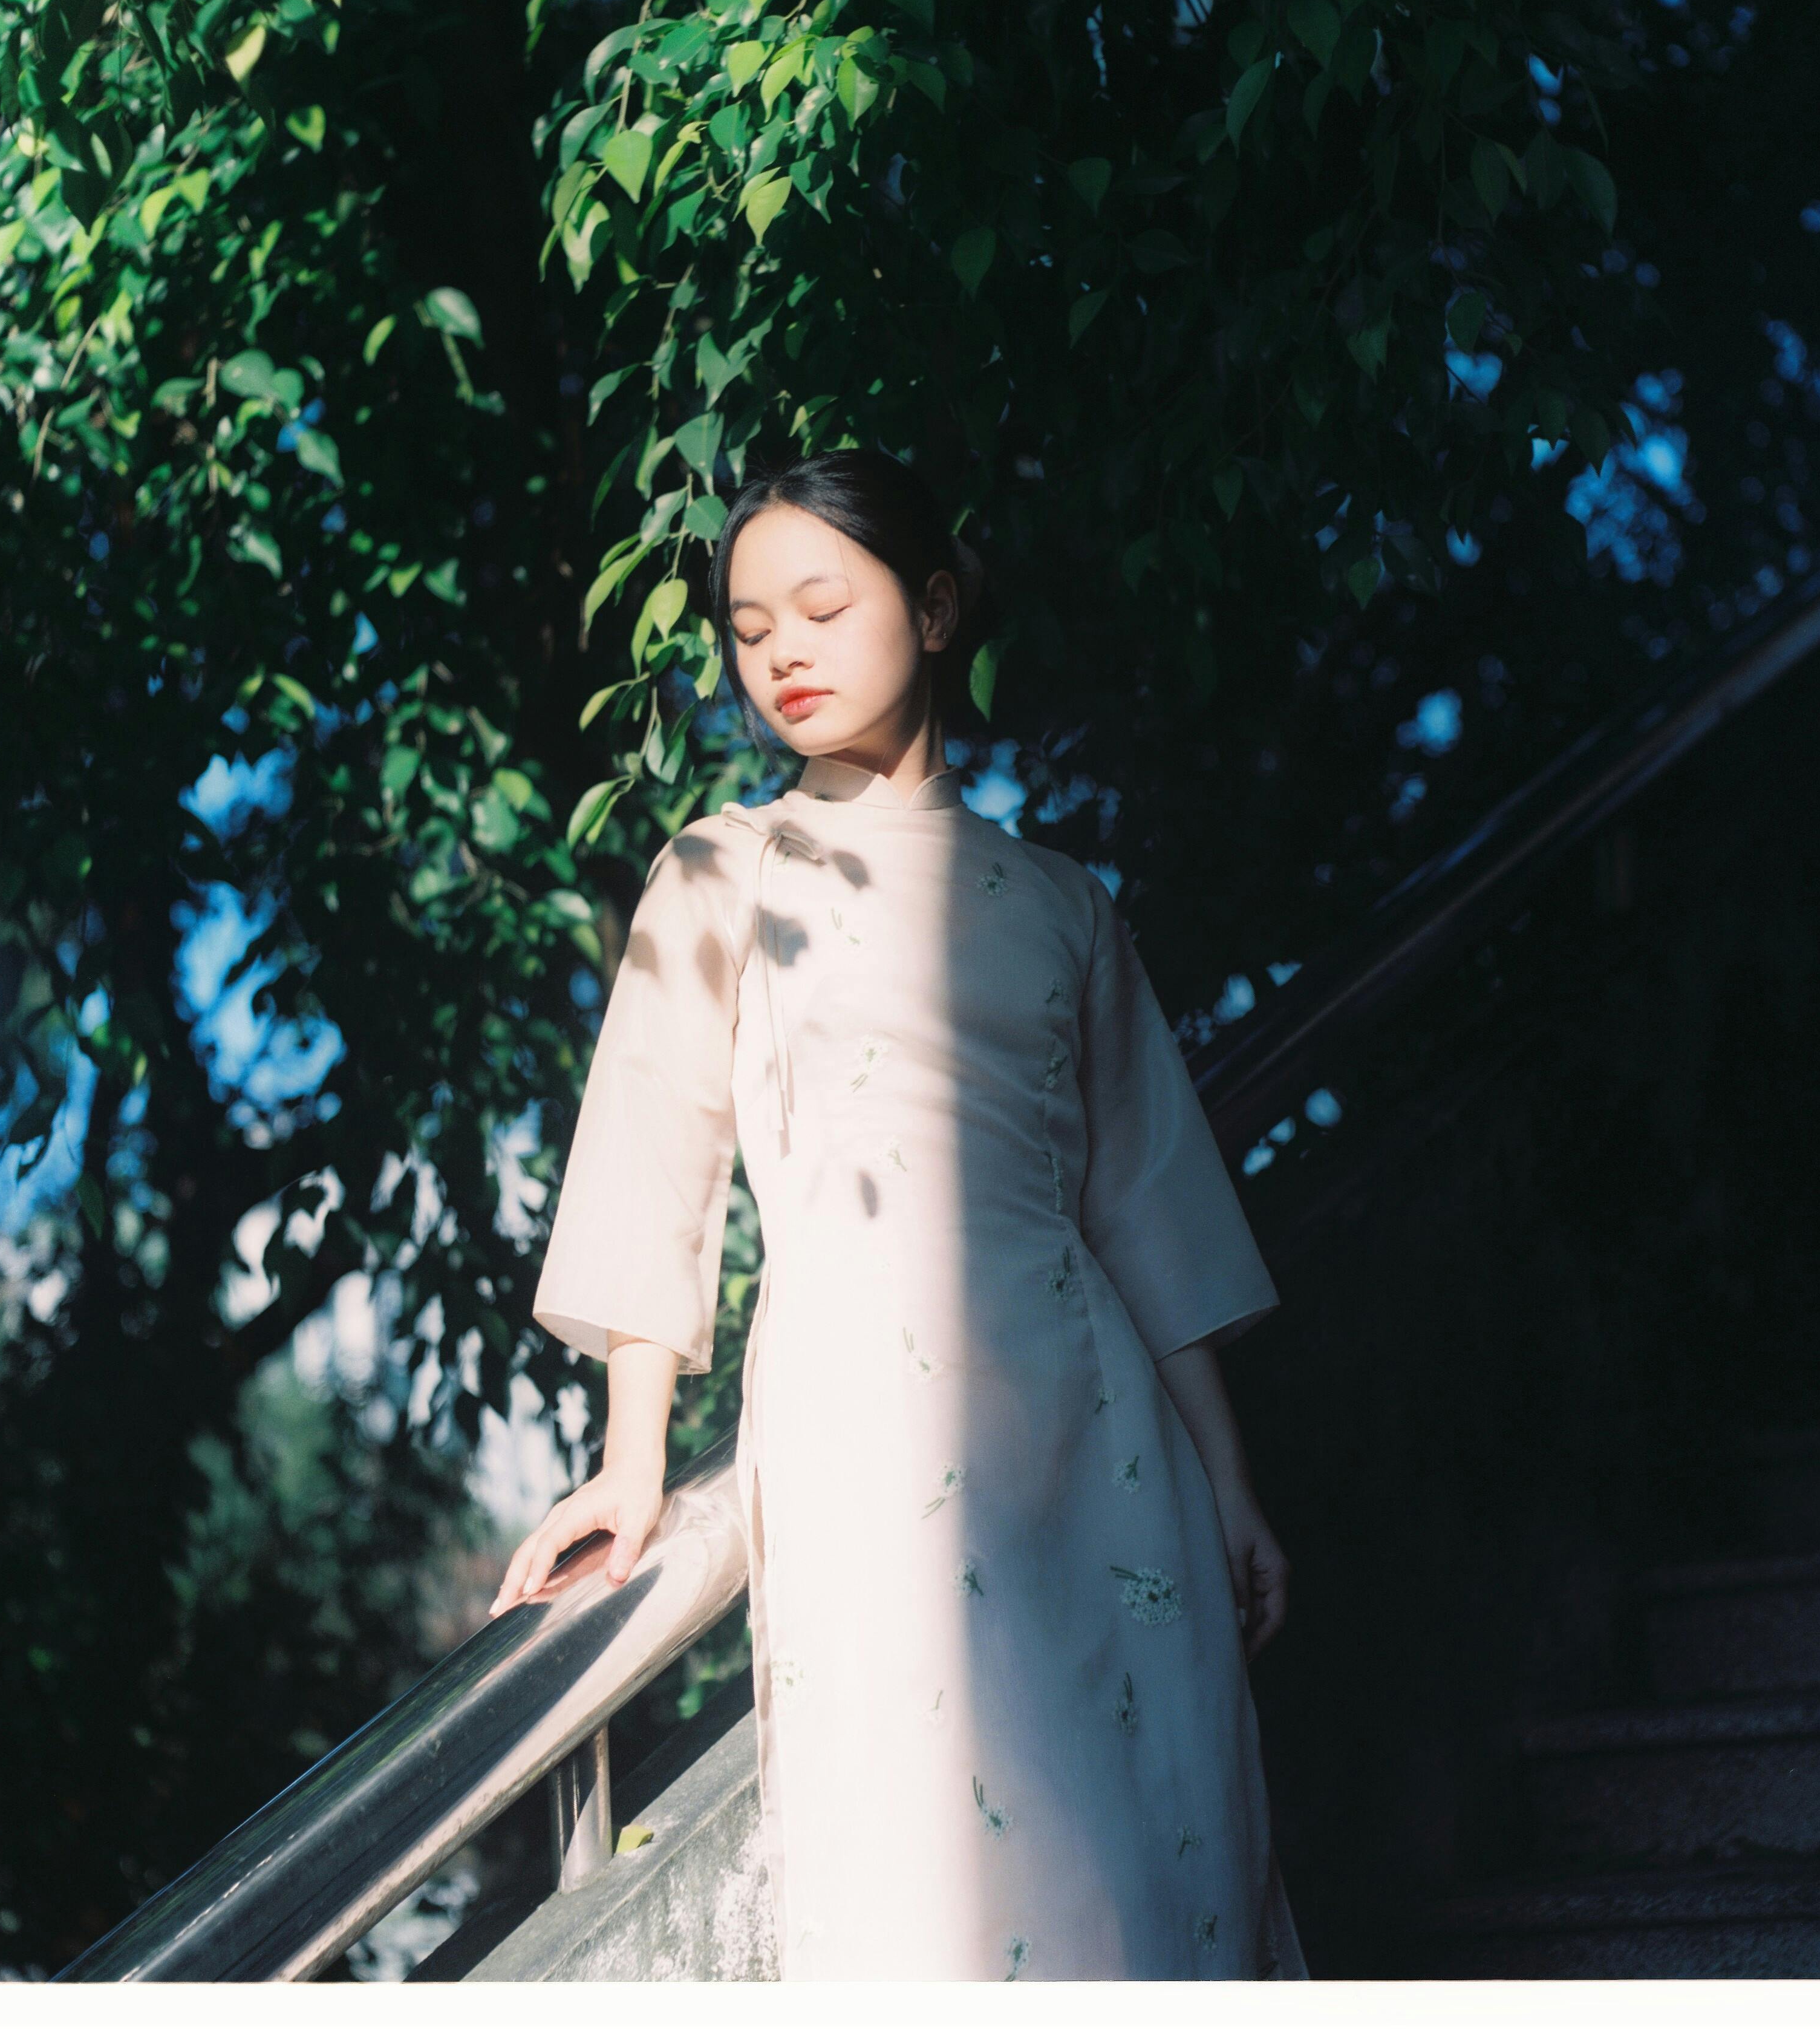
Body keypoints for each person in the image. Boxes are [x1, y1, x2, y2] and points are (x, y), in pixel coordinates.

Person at [492, 446, 1309, 1982]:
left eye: (820, 603)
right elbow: (654, 1158)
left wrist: (1231, 1487)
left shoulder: (1060, 902)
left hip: (1096, 1444)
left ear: (933, 607)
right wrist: (630, 1457)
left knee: (1154, 1881)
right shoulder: (723, 873)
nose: (780, 650)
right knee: (914, 1888)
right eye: (746, 627)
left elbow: (1143, 1207)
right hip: (860, 1445)